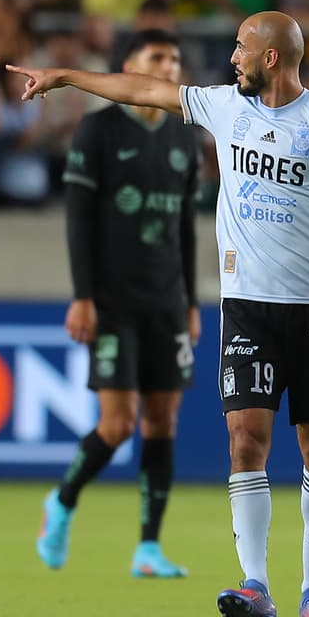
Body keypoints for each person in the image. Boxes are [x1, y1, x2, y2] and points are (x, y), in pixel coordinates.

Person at [7, 10, 309, 617]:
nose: (231, 57)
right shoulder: (223, 106)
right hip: (246, 308)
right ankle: (256, 583)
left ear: (270, 58)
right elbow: (142, 90)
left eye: (239, 48)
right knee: (245, 439)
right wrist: (65, 76)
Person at [34, 29, 201, 578]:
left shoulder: (184, 135)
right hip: (111, 300)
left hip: (166, 300)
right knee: (117, 423)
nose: (169, 66)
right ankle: (61, 502)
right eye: (157, 57)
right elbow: (78, 221)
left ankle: (148, 547)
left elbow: (185, 226)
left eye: (175, 58)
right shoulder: (98, 129)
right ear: (128, 65)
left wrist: (192, 300)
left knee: (163, 420)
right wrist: (82, 297)